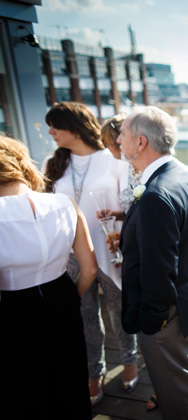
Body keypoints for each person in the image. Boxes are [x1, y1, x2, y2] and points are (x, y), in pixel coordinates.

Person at [117, 106, 188, 419]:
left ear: (141, 143)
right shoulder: (182, 175)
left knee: (181, 399)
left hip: (168, 317)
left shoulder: (157, 193)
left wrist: (153, 321)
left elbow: (160, 268)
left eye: (123, 133)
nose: (118, 139)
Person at [43, 102, 138, 405]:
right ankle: (93, 375)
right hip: (69, 256)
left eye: (55, 125)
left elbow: (130, 208)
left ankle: (130, 362)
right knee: (83, 318)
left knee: (120, 313)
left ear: (74, 126)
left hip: (112, 251)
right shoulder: (51, 163)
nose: (50, 132)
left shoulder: (113, 160)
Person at [0, 136, 98, 419]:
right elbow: (89, 269)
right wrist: (68, 298)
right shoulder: (64, 202)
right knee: (70, 381)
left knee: (25, 390)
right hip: (62, 299)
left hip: (14, 309)